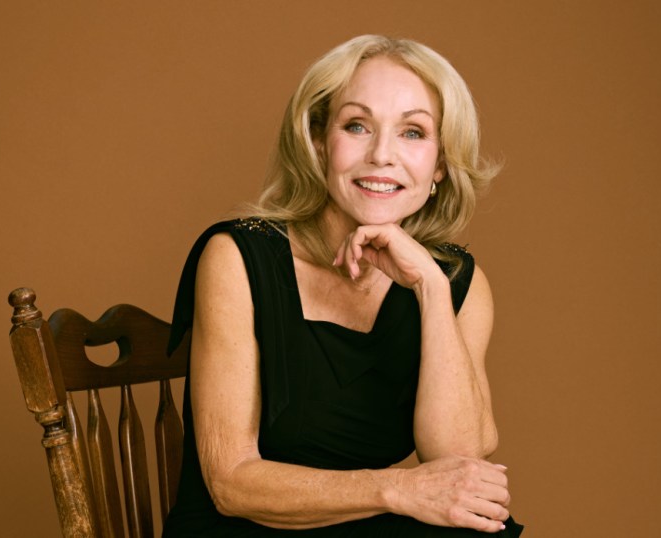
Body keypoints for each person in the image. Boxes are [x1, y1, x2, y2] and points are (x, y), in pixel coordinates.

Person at [163, 35, 523, 537]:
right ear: (317, 141)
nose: (382, 155)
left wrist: (431, 291)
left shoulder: (456, 281)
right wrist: (397, 489)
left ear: (440, 163)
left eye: (413, 133)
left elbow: (457, 464)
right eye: (357, 126)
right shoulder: (238, 258)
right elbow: (230, 484)